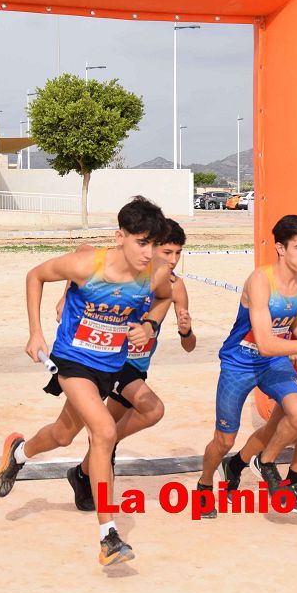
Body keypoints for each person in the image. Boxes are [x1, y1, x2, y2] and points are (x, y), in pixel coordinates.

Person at [0, 196, 173, 566]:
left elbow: (165, 298)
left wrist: (150, 324)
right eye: (141, 242)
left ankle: (18, 453)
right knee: (104, 431)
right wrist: (35, 333)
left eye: (154, 244)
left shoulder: (154, 273)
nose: (148, 252)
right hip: (73, 360)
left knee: (61, 435)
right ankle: (109, 535)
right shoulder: (87, 265)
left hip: (111, 365)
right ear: (119, 236)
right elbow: (35, 276)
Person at [196, 215, 297, 519]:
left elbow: (292, 318)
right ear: (279, 248)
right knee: (224, 440)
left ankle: (265, 462)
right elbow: (264, 342)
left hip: (274, 361)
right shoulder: (261, 281)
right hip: (240, 362)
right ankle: (204, 482)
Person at [62, 219, 197, 512]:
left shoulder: (175, 287)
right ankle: (97, 458)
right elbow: (83, 251)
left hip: (137, 367)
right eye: (167, 252)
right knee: (151, 409)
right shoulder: (124, 270)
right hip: (109, 360)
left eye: (178, 253)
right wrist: (66, 294)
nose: (173, 260)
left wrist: (186, 330)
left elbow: (189, 346)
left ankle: (85, 469)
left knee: (101, 430)